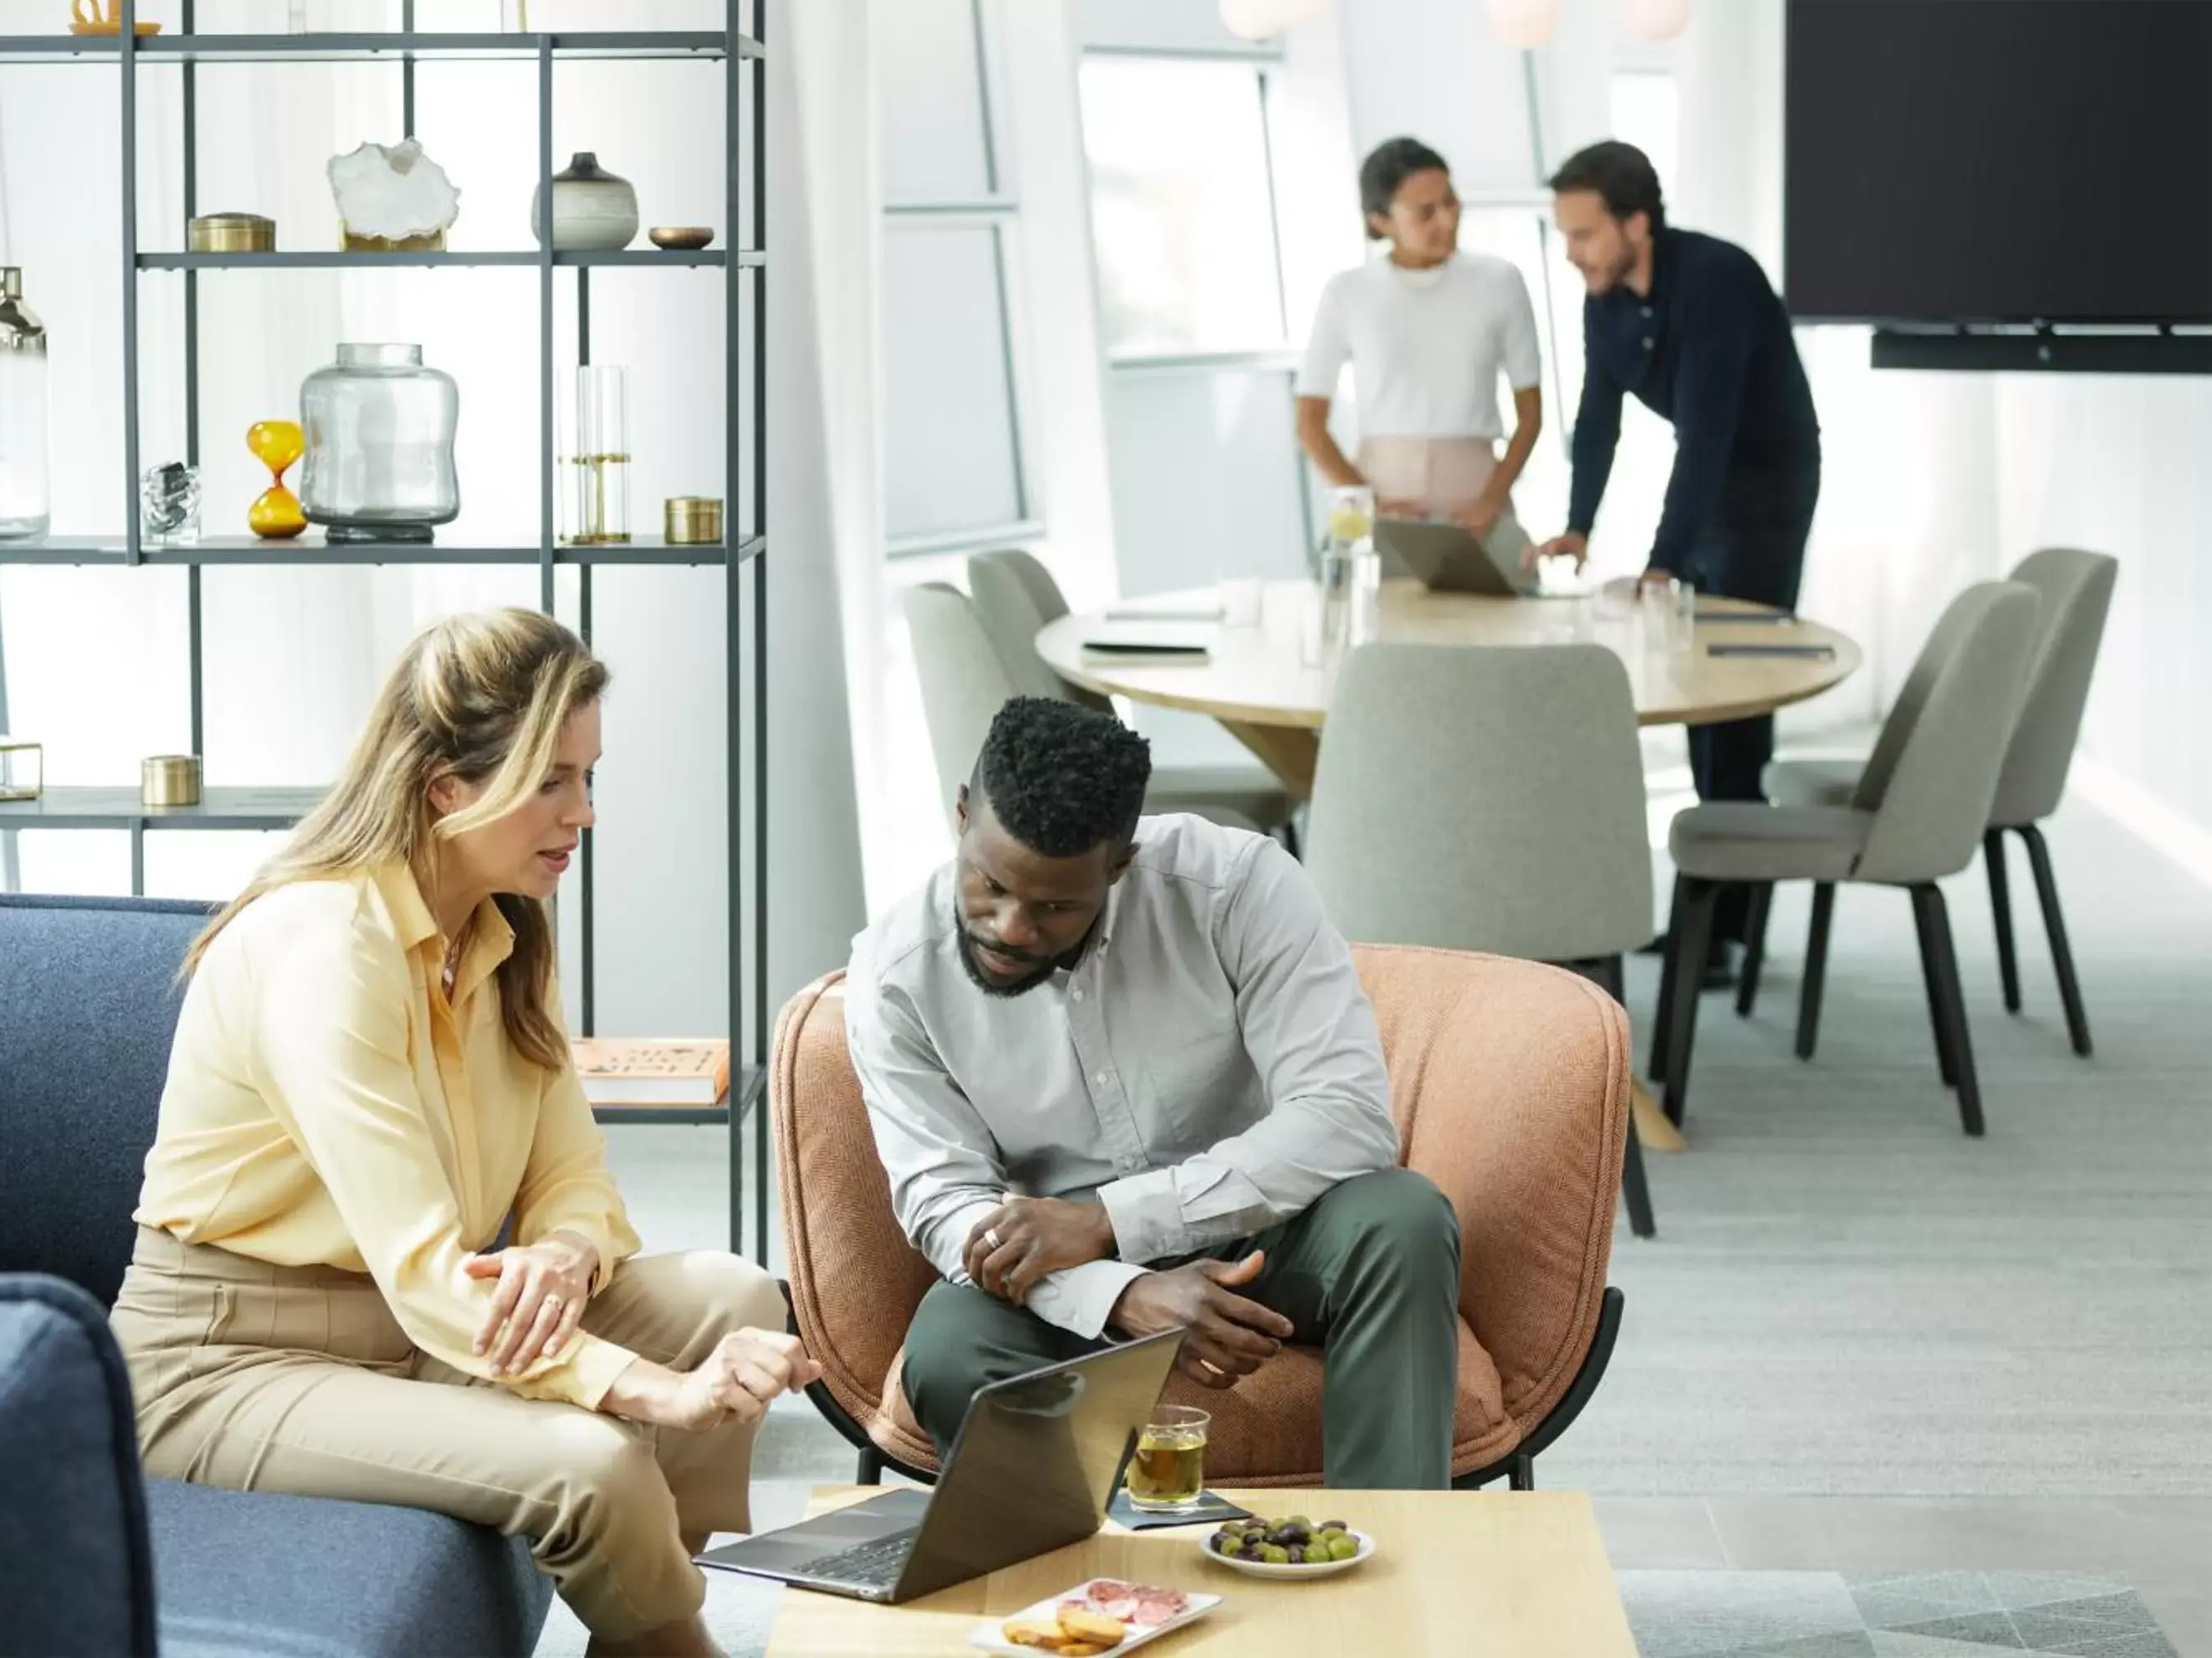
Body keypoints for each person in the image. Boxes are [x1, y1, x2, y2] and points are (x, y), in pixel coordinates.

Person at [109, 608, 819, 1658]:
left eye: (588, 776)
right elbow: (426, 1269)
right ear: (447, 785)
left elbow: (570, 1165)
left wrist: (567, 1255)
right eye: (552, 781)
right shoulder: (322, 950)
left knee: (731, 1295)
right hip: (229, 1362)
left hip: (427, 1326)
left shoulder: (501, 925)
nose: (583, 812)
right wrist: (659, 1391)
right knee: (599, 1458)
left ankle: (639, 1632)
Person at [846, 696, 1462, 1490]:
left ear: (1120, 863)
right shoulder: (897, 973)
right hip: (1051, 1276)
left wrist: (1111, 1221)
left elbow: (1345, 1115)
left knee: (1401, 1218)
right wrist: (1123, 1291)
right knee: (948, 1347)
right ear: (961, 816)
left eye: (1055, 906)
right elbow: (941, 1202)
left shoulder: (1237, 887)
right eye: (988, 883)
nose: (1010, 927)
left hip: (1263, 1236)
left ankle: (1391, 1570)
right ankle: (1100, 1592)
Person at [1531, 140, 1822, 978]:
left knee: (1735, 694)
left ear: (1636, 222)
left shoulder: (1718, 279)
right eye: (1564, 235)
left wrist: (1661, 563)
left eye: (1583, 234)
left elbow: (1708, 438)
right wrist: (1578, 526)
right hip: (1709, 485)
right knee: (1698, 697)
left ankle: (1729, 929)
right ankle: (1710, 909)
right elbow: (1598, 419)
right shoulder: (1606, 294)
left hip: (1767, 485)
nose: (1572, 252)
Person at [1296, 136, 1545, 544]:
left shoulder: (1500, 282)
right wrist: (1367, 500)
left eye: (1450, 202)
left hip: (1478, 495)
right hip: (1380, 495)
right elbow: (1309, 424)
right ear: (1381, 221)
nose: (1446, 220)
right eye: (1425, 212)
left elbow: (1531, 416)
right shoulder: (1348, 292)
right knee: (1371, 604)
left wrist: (1491, 499)